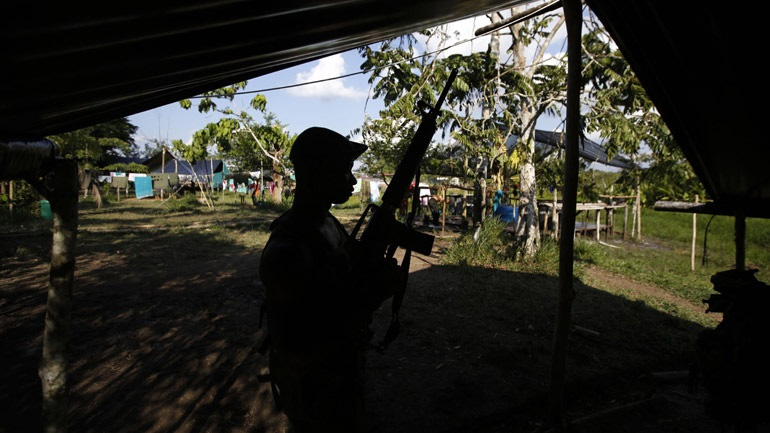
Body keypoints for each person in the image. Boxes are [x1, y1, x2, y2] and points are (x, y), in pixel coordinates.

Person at [259, 126, 401, 433]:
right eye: (343, 170)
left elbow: (340, 283)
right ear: (314, 174)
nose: (351, 180)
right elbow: (297, 351)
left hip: (341, 376)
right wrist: (372, 297)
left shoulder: (325, 221)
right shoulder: (287, 249)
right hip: (314, 395)